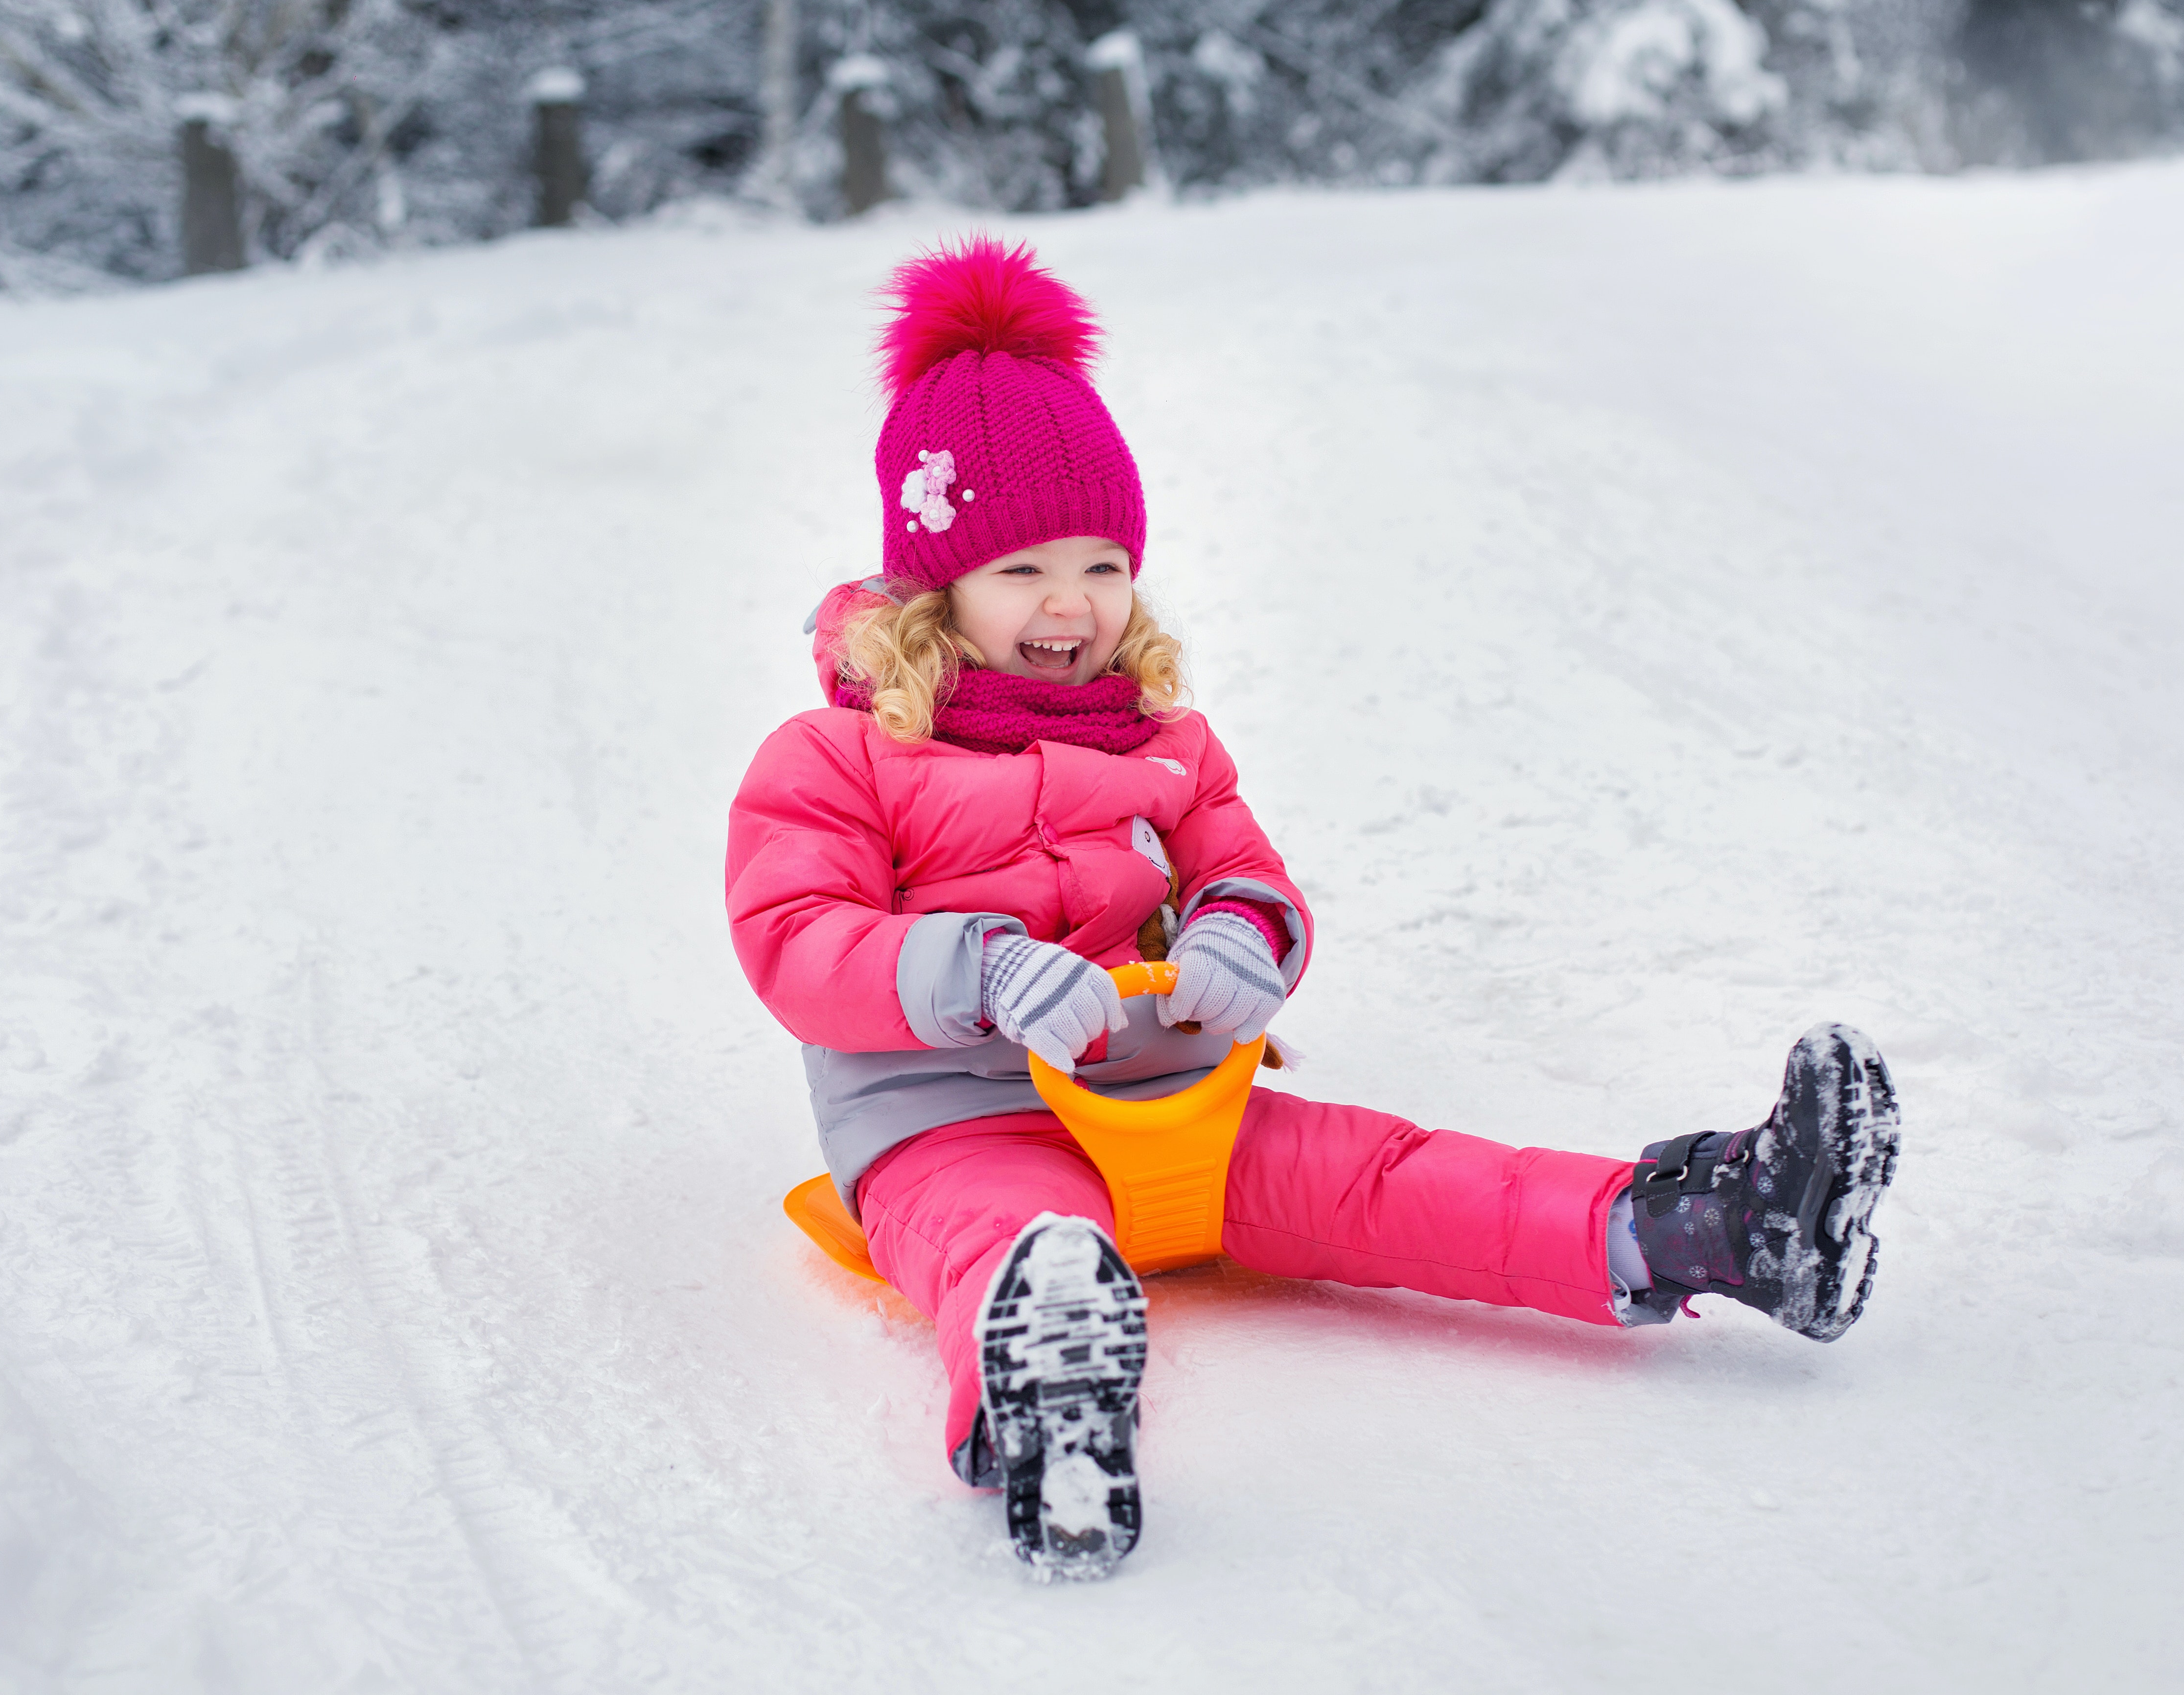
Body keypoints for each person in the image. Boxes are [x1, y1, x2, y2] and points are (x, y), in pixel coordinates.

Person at [725, 238, 1901, 1580]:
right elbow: (794, 940)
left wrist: (1244, 936)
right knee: (1015, 1235)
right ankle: (1049, 1394)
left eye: (1106, 565)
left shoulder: (1166, 742)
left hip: (1170, 1105)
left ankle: (1716, 1229)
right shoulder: (838, 758)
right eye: (1025, 571)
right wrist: (980, 968)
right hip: (954, 1121)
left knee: (1381, 1172)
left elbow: (1250, 874)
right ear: (935, 590)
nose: (1075, 605)